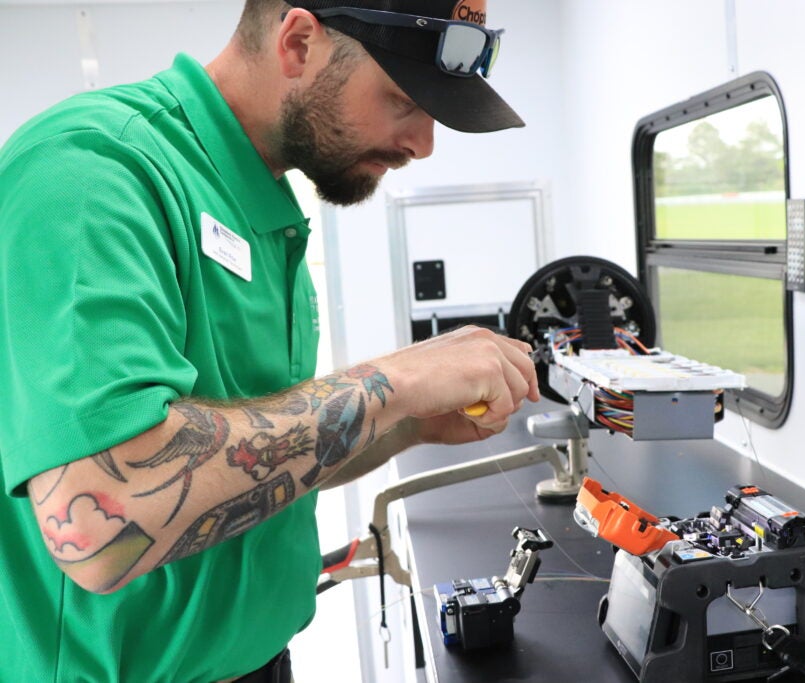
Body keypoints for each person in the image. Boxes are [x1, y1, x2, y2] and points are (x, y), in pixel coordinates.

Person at [0, 1, 537, 681]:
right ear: (300, 42)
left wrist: (402, 423)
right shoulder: (92, 169)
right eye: (403, 100)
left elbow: (256, 461)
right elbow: (103, 532)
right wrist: (392, 382)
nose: (423, 142)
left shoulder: (262, 204)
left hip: (262, 663)